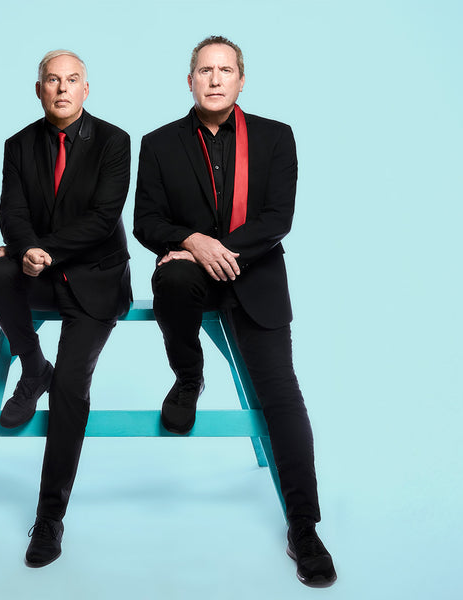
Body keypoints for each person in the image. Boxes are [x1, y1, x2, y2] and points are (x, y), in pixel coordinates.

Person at [133, 36, 336, 587]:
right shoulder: (158, 143)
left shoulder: (276, 136)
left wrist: (220, 249)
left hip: (256, 276)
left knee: (282, 396)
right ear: (190, 81)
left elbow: (278, 218)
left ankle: (304, 528)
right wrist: (192, 241)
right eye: (205, 70)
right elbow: (146, 221)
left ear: (241, 80)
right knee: (174, 275)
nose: (215, 79)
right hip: (187, 276)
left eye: (225, 70)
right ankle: (188, 377)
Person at [0, 49, 132, 568]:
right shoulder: (18, 145)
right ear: (39, 89)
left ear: (86, 90)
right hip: (42, 271)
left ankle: (49, 517)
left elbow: (103, 218)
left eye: (72, 80)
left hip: (96, 279)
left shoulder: (114, 141)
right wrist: (24, 249)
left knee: (71, 387)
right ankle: (32, 366)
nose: (62, 88)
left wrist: (40, 248)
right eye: (52, 80)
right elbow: (11, 211)